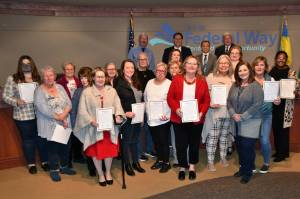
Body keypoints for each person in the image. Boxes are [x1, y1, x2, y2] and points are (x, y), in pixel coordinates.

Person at [74, 67, 125, 186]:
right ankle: (100, 174)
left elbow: (118, 106)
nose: (100, 79)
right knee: (96, 152)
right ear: (93, 78)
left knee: (109, 152)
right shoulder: (87, 92)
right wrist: (91, 120)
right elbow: (82, 110)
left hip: (109, 128)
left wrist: (118, 116)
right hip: (94, 128)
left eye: (102, 76)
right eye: (98, 76)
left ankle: (107, 172)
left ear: (105, 78)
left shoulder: (111, 90)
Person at [2, 55, 48, 174]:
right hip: (23, 116)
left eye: (28, 63)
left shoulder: (38, 78)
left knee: (42, 139)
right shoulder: (13, 78)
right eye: (24, 64)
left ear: (32, 64)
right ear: (20, 65)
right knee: (28, 140)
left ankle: (45, 161)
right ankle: (31, 163)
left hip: (40, 115)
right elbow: (5, 96)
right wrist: (16, 101)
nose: (26, 66)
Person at [167, 55, 210, 181]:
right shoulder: (177, 79)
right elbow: (170, 98)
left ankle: (191, 167)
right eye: (189, 63)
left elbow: (206, 100)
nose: (192, 66)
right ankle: (182, 167)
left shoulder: (202, 80)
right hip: (179, 118)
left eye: (194, 64)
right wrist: (176, 109)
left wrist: (201, 113)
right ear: (184, 65)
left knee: (193, 144)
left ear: (197, 67)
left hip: (196, 119)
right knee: (181, 144)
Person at [34, 66, 76, 182]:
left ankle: (64, 166)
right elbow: (43, 108)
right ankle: (54, 170)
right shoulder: (39, 90)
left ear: (55, 76)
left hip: (65, 123)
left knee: (66, 146)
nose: (49, 78)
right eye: (46, 76)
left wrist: (64, 115)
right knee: (53, 148)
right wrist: (59, 117)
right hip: (50, 123)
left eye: (51, 75)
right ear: (43, 78)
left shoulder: (60, 87)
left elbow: (69, 103)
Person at [227, 62, 263, 184]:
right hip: (236, 121)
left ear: (249, 70)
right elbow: (229, 101)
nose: (242, 72)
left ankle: (248, 172)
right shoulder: (235, 85)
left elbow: (257, 104)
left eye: (244, 70)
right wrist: (233, 114)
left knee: (248, 147)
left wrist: (242, 117)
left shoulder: (256, 86)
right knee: (240, 147)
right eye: (239, 71)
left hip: (251, 121)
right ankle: (243, 168)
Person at [202, 55, 234, 172]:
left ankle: (223, 157)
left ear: (229, 65)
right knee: (213, 138)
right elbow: (204, 94)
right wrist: (210, 103)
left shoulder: (233, 78)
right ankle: (210, 161)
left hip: (228, 113)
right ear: (217, 64)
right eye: (221, 63)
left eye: (226, 63)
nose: (224, 65)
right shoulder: (210, 77)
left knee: (225, 137)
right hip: (214, 113)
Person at [114, 59, 146, 176]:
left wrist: (142, 113)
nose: (130, 70)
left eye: (132, 68)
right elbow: (116, 101)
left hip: (137, 116)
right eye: (127, 68)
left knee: (135, 140)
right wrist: (125, 113)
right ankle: (127, 164)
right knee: (126, 141)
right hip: (126, 118)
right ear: (123, 69)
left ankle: (135, 163)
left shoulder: (136, 81)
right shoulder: (119, 82)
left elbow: (140, 98)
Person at [252, 56, 281, 173]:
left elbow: (276, 98)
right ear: (253, 67)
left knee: (264, 140)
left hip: (266, 115)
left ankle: (266, 162)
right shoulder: (248, 80)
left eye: (262, 65)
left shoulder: (271, 80)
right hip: (252, 116)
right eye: (257, 64)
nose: (259, 67)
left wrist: (277, 100)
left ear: (265, 67)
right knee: (251, 140)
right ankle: (251, 162)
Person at [269, 51, 297, 162]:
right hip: (274, 103)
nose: (281, 60)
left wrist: (296, 88)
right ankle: (278, 151)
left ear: (286, 59)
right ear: (276, 59)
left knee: (284, 129)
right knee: (276, 129)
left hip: (286, 105)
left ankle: (283, 153)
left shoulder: (291, 72)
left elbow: (296, 87)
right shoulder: (271, 70)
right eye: (279, 58)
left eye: (283, 58)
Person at [144, 62, 171, 173]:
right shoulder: (150, 82)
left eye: (162, 71)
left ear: (166, 72)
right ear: (155, 71)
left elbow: (172, 101)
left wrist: (167, 115)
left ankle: (166, 162)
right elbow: (145, 97)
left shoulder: (169, 83)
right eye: (158, 71)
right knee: (156, 141)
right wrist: (147, 112)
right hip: (151, 118)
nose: (160, 73)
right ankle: (159, 160)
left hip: (163, 119)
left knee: (163, 141)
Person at [70, 66, 96, 176]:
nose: (83, 80)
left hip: (95, 123)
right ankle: (92, 168)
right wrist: (74, 124)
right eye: (81, 78)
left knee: (96, 146)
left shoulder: (96, 89)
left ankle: (100, 166)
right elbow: (74, 109)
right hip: (83, 124)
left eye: (85, 77)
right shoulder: (78, 91)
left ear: (90, 77)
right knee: (88, 147)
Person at [57, 62, 82, 166]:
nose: (69, 71)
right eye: (67, 69)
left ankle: (77, 156)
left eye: (71, 69)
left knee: (77, 135)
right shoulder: (59, 83)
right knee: (67, 137)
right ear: (64, 71)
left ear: (74, 70)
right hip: (65, 113)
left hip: (77, 112)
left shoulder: (79, 81)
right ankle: (67, 160)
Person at [135, 52, 156, 161]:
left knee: (150, 129)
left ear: (148, 61)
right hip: (139, 106)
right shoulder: (134, 74)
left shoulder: (151, 73)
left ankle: (149, 149)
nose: (143, 61)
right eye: (140, 59)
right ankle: (139, 153)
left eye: (145, 59)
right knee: (139, 130)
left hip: (149, 106)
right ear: (137, 61)